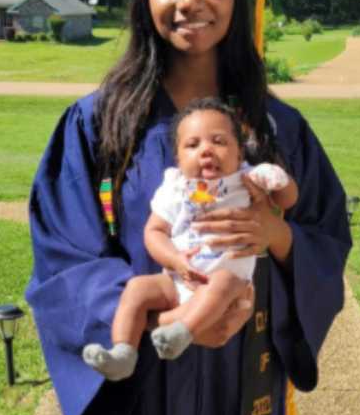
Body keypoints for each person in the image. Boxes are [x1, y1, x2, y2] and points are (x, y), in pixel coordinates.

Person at [26, 0, 351, 415]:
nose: (190, 2)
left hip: (242, 375)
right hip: (145, 377)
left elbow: (326, 235)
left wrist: (276, 234)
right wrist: (161, 312)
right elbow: (63, 261)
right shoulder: (97, 125)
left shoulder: (278, 127)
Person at [82, 97, 298, 381]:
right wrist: (175, 259)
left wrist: (281, 181)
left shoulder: (248, 179)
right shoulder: (175, 187)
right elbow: (154, 231)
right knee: (136, 288)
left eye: (219, 141)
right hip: (178, 278)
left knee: (222, 283)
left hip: (225, 277)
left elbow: (287, 200)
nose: (206, 150)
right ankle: (123, 353)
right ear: (178, 158)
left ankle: (181, 332)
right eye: (192, 145)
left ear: (239, 152)